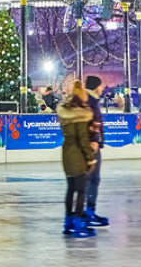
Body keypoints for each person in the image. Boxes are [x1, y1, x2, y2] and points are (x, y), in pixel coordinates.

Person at [57, 81, 96, 238]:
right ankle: (79, 225)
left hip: (67, 154)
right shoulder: (80, 116)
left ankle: (68, 222)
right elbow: (83, 140)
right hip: (78, 156)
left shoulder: (65, 114)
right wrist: (90, 158)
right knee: (81, 190)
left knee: (71, 189)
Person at [83, 76, 109, 228]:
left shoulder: (89, 100)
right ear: (95, 87)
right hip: (90, 147)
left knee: (91, 179)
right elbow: (92, 123)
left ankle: (87, 212)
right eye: (100, 86)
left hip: (91, 145)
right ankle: (87, 213)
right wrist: (93, 141)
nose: (102, 89)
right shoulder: (89, 101)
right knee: (91, 179)